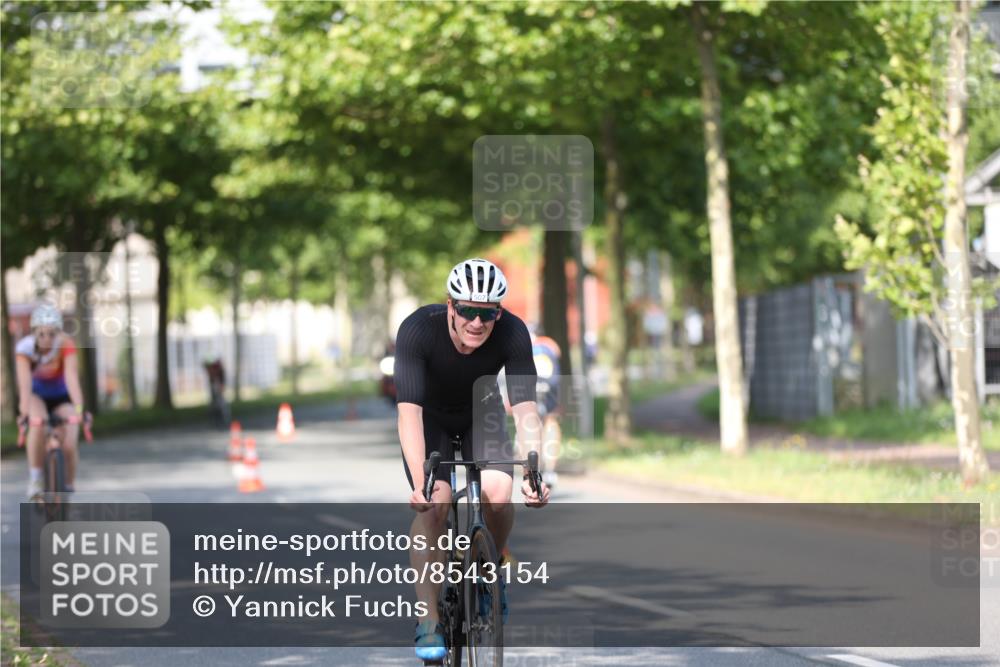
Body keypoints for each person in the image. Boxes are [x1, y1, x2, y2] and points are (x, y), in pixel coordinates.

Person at [394, 258, 550, 661]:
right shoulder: (417, 330)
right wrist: (419, 483)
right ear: (450, 305)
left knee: (499, 492)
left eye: (487, 313)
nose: (477, 322)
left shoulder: (513, 333)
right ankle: (429, 620)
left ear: (499, 312)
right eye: (467, 310)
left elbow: (526, 408)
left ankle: (490, 567)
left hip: (484, 411)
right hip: (431, 419)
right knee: (435, 506)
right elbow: (408, 412)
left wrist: (534, 471)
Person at [15, 304, 85, 499]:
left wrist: (79, 409)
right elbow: (25, 386)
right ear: (34, 332)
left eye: (52, 334)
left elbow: (72, 378)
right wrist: (24, 414)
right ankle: (36, 477)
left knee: (70, 439)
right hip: (36, 396)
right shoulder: (24, 349)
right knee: (38, 422)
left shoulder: (66, 345)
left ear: (58, 333)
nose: (47, 339)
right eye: (42, 334)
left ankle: (68, 484)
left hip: (61, 397)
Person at [530, 328, 563, 489]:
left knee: (531, 423)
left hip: (532, 381)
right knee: (551, 420)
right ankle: (550, 469)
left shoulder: (526, 343)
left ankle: (534, 467)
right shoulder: (551, 345)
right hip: (551, 383)